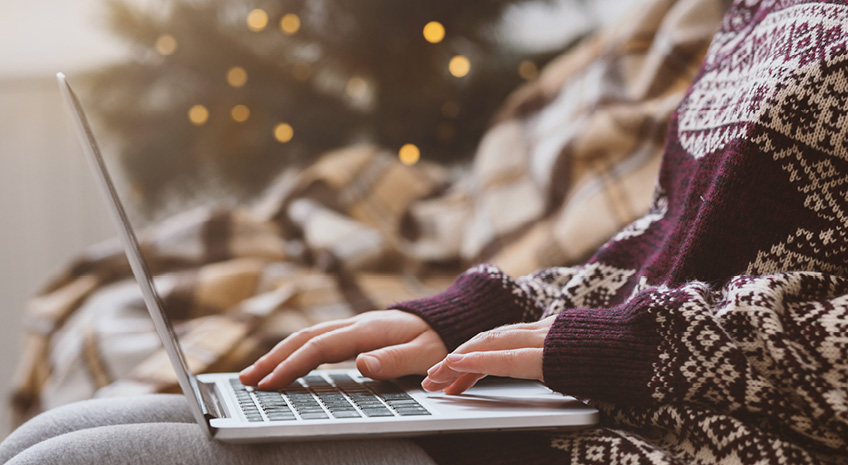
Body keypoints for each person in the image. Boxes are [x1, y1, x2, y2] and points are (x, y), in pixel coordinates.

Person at [2, 0, 848, 463]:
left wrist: (635, 345)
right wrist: (464, 313)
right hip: (621, 398)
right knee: (52, 436)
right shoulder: (755, 11)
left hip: (706, 440)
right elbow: (671, 243)